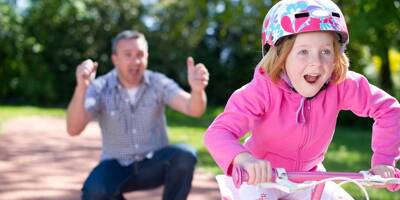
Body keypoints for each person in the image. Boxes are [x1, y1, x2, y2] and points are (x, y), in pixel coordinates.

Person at [204, 0, 400, 199]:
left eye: (325, 51)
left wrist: (384, 161)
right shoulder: (261, 90)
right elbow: (218, 133)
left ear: (336, 55)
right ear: (281, 56)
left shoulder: (340, 84)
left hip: (309, 177)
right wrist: (244, 160)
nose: (316, 62)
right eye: (303, 51)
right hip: (260, 178)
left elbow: (389, 109)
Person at [66, 30, 209, 200]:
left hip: (155, 164)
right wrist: (82, 87)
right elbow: (74, 129)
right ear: (115, 59)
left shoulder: (158, 82)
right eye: (128, 55)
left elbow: (193, 109)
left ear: (147, 57)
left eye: (140, 54)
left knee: (185, 155)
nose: (135, 61)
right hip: (117, 164)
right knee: (95, 190)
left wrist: (197, 90)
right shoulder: (99, 87)